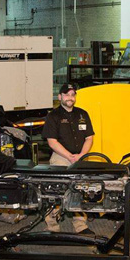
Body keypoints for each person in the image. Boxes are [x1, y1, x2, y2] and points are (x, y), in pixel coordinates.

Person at [41, 84, 95, 236]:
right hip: (61, 157)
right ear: (59, 97)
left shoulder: (82, 114)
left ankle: (80, 225)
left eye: (73, 94)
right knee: (57, 190)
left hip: (80, 157)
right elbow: (52, 142)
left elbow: (89, 138)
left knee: (80, 190)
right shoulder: (53, 116)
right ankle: (52, 225)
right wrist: (69, 157)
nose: (70, 97)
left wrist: (80, 156)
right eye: (66, 95)